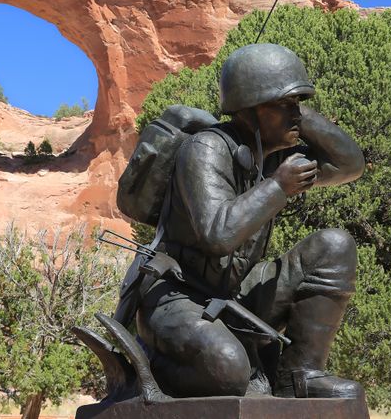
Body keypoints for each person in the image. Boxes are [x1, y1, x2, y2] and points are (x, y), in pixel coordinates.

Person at [135, 43, 366, 399]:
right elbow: (217, 234)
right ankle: (146, 368)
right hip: (177, 297)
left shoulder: (271, 157)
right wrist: (278, 186)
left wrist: (297, 109)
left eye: (298, 104)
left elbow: (349, 165)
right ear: (252, 108)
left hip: (235, 293)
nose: (296, 115)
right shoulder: (207, 148)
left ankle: (299, 377)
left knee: (334, 246)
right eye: (285, 106)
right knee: (227, 371)